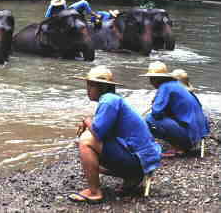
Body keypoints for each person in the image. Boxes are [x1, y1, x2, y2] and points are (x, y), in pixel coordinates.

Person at [70, 66, 161, 203]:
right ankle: (132, 178)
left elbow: (98, 133)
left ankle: (94, 192)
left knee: (86, 140)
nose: (87, 90)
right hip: (143, 161)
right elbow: (105, 129)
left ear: (101, 87)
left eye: (90, 85)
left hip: (138, 161)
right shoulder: (112, 99)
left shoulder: (108, 101)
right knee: (90, 142)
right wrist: (90, 124)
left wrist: (87, 121)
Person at [140, 61, 210, 158]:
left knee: (149, 119)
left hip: (189, 137)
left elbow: (156, 113)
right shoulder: (177, 84)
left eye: (151, 79)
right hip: (199, 135)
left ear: (156, 79)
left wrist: (156, 102)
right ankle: (181, 145)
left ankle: (180, 146)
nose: (151, 82)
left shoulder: (165, 87)